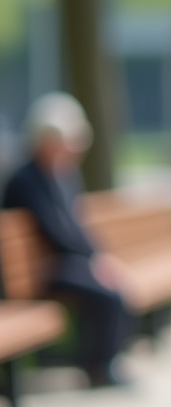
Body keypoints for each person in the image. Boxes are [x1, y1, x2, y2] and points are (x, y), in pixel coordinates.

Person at [1, 92, 133, 388]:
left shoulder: (60, 174)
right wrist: (93, 261)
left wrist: (99, 257)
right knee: (109, 294)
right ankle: (100, 368)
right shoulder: (26, 179)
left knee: (115, 287)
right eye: (66, 141)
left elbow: (74, 226)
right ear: (46, 140)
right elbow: (55, 230)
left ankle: (104, 363)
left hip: (58, 264)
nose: (72, 149)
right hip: (40, 272)